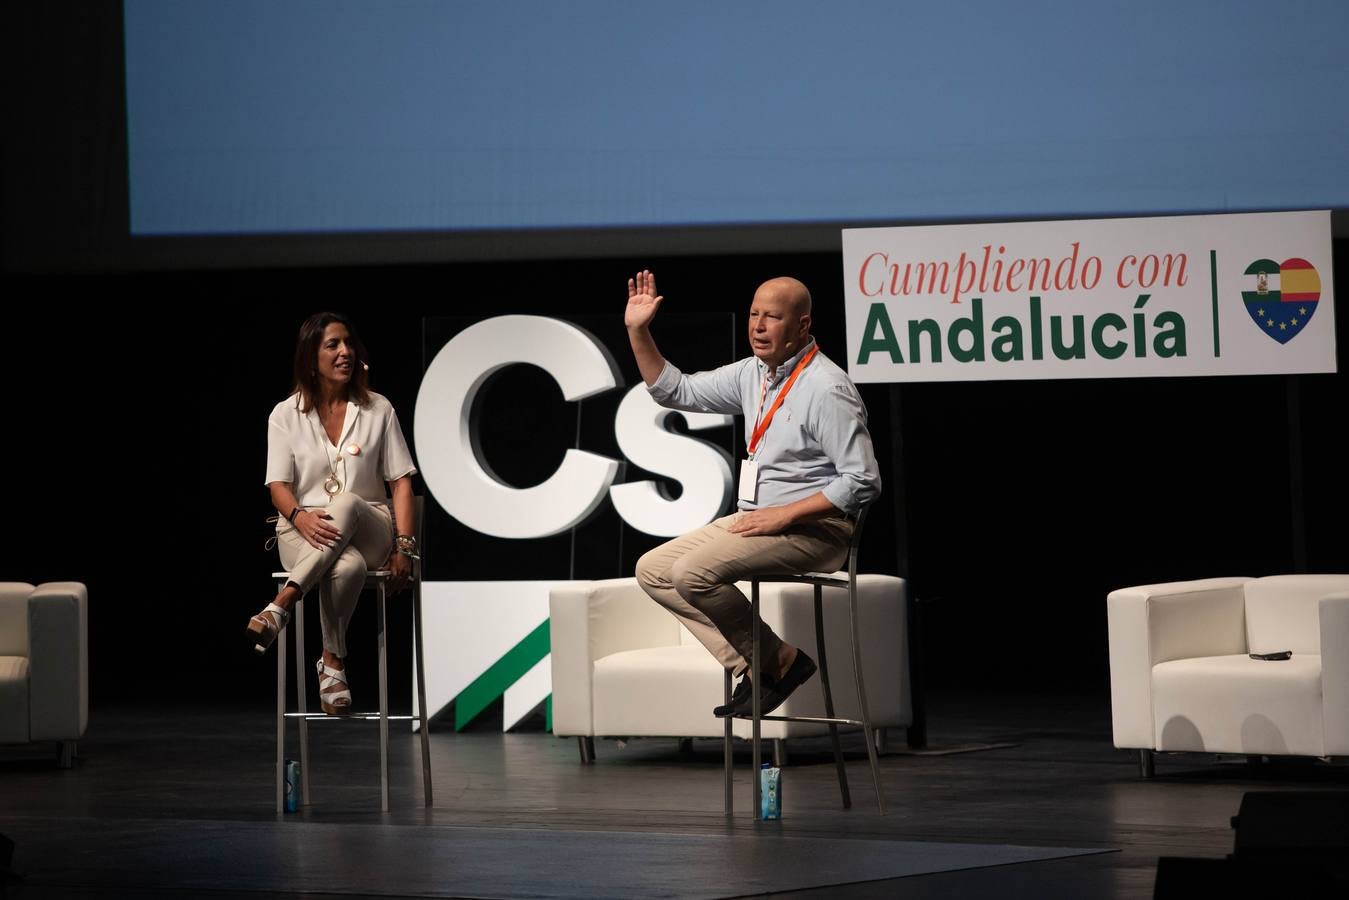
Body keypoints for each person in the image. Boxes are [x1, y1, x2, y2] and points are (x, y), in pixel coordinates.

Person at [626, 270, 881, 718]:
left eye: (773, 317)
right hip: (758, 521)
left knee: (692, 573)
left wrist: (784, 516)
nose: (758, 326)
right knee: (654, 570)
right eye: (754, 314)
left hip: (814, 530)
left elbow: (862, 480)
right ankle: (763, 664)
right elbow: (674, 390)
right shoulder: (753, 373)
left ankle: (775, 664)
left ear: (802, 326)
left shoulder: (826, 388)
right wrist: (639, 330)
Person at [248, 312, 419, 715]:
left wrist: (405, 548)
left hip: (370, 525)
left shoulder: (378, 409)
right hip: (302, 529)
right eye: (333, 345)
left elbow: (402, 484)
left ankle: (281, 604)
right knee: (347, 567)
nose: (345, 352)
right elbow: (278, 488)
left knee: (344, 502)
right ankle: (332, 662)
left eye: (348, 343)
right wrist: (301, 517)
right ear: (311, 359)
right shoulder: (284, 415)